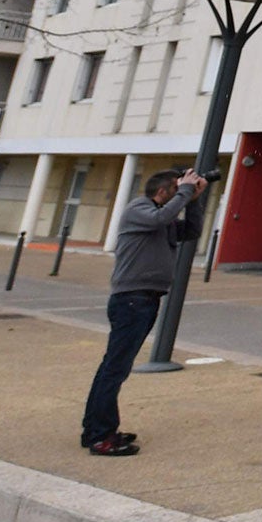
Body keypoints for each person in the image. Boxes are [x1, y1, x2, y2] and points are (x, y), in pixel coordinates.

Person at [81, 167, 207, 456]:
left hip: (144, 300)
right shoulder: (140, 209)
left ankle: (95, 429)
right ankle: (101, 436)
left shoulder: (161, 219)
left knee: (114, 368)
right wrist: (185, 190)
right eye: (177, 191)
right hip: (131, 301)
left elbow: (191, 231)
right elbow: (161, 217)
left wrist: (195, 200)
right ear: (162, 192)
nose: (180, 197)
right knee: (114, 369)